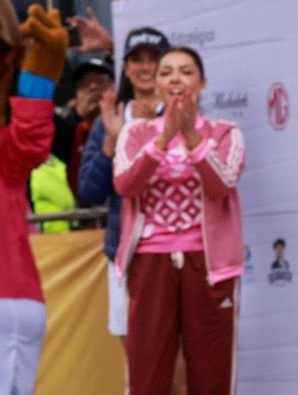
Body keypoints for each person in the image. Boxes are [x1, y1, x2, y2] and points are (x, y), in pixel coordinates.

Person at [114, 46, 245, 393]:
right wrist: (163, 138)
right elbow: (125, 184)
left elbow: (222, 184)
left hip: (209, 263)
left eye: (186, 72)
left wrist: (190, 135)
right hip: (150, 262)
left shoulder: (225, 132)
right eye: (166, 72)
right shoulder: (137, 133)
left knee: (211, 373)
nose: (176, 79)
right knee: (147, 373)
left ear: (202, 82)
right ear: (156, 84)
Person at [79, 26, 169, 339]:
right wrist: (111, 144)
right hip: (124, 254)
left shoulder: (183, 116)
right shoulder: (109, 120)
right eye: (137, 60)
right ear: (125, 68)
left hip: (175, 253)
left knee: (179, 364)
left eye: (153, 59)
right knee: (136, 363)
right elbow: (89, 192)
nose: (145, 68)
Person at [54, 53, 115, 194]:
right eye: (84, 85)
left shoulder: (133, 122)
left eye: (101, 80)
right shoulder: (68, 134)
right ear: (75, 99)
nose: (93, 87)